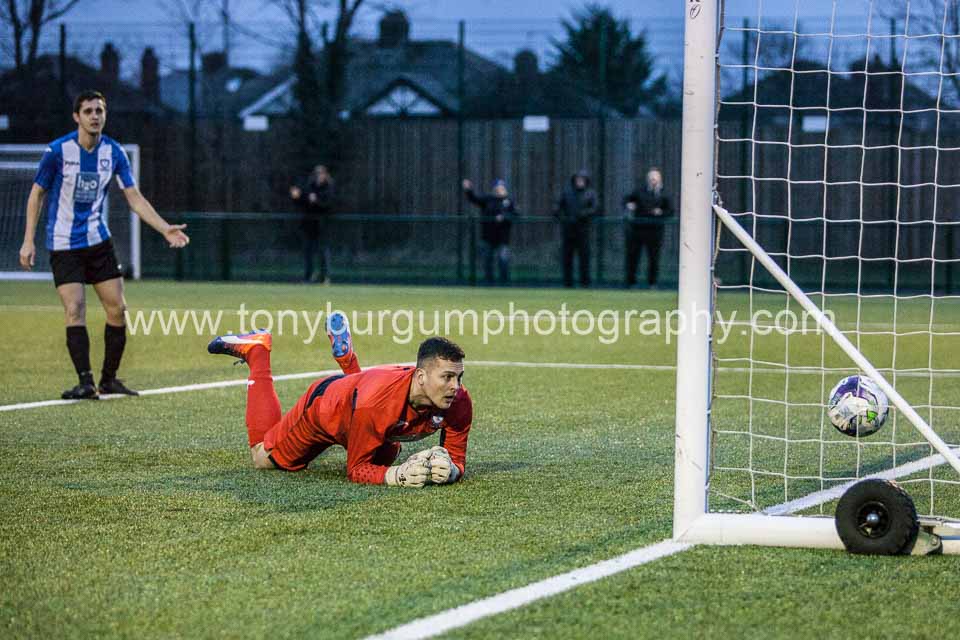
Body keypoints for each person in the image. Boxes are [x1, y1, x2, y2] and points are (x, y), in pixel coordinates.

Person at [18, 90, 190, 400]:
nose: (95, 116)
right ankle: (85, 382)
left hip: (98, 241)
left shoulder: (114, 152)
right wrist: (28, 240)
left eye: (99, 110)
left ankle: (108, 379)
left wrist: (165, 228)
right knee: (75, 308)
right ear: (77, 117)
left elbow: (134, 197)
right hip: (63, 243)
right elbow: (36, 194)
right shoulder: (58, 151)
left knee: (118, 309)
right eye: (88, 111)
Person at [207, 313, 473, 487]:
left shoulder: (459, 401)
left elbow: (458, 459)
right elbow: (356, 470)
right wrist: (396, 475)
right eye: (447, 377)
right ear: (422, 377)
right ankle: (257, 352)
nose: (455, 387)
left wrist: (451, 471)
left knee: (387, 448)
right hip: (325, 411)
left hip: (365, 404)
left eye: (458, 378)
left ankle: (348, 362)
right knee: (262, 458)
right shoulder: (376, 404)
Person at [462, 178, 518, 285]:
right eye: (498, 188)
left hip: (503, 238)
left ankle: (504, 282)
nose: (499, 190)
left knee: (503, 260)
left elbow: (516, 214)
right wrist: (468, 190)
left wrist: (504, 217)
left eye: (502, 188)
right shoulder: (488, 200)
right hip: (488, 236)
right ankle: (489, 282)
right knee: (487, 260)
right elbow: (474, 199)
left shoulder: (509, 201)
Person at [624, 167, 673, 289]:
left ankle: (652, 283)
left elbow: (670, 211)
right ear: (648, 179)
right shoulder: (639, 192)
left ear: (660, 180)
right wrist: (630, 205)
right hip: (638, 229)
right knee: (634, 256)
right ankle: (631, 282)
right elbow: (627, 200)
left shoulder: (664, 194)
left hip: (655, 231)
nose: (653, 181)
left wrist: (660, 212)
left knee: (654, 258)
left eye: (655, 179)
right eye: (651, 178)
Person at [289, 164, 335, 283]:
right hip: (309, 225)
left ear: (325, 175)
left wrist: (317, 201)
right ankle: (308, 276)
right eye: (316, 174)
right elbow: (303, 202)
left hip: (322, 224)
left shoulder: (328, 187)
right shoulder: (310, 186)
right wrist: (296, 197)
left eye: (321, 174)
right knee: (308, 252)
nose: (318, 176)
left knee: (323, 252)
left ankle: (325, 277)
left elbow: (329, 205)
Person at [554, 170, 599, 288]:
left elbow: (595, 209)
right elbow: (558, 207)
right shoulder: (567, 193)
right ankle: (567, 283)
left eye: (582, 179)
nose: (580, 181)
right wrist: (563, 217)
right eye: (578, 179)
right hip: (568, 230)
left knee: (584, 257)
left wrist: (582, 214)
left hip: (583, 230)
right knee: (567, 257)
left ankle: (585, 283)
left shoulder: (590, 193)